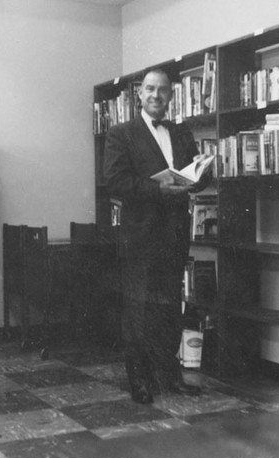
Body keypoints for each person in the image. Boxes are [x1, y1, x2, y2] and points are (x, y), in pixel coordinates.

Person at [103, 68, 210, 404]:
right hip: (141, 237)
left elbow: (195, 178)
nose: (155, 95)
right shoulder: (121, 133)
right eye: (150, 89)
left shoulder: (181, 133)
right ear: (139, 94)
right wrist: (158, 188)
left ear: (170, 96)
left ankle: (169, 376)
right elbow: (116, 182)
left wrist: (202, 174)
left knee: (168, 309)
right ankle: (140, 381)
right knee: (138, 310)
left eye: (162, 91)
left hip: (174, 235)